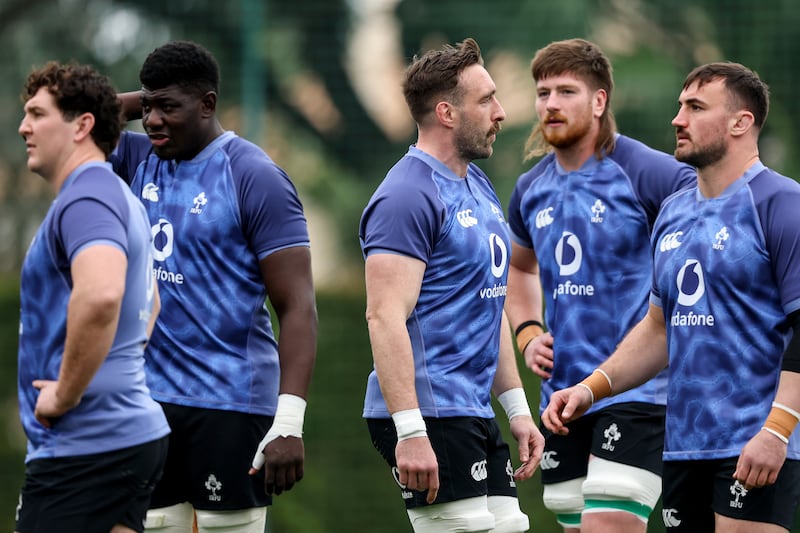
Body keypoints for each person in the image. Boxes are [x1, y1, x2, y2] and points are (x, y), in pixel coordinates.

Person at [542, 61, 800, 532]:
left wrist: (778, 431)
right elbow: (658, 330)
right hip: (683, 447)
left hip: (756, 443)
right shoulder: (673, 213)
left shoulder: (782, 203)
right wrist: (589, 388)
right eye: (680, 106)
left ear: (740, 123)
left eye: (696, 108)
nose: (678, 119)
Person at [110, 40, 317, 533]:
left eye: (168, 107)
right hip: (149, 402)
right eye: (147, 107)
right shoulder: (138, 158)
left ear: (208, 104)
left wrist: (288, 422)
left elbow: (298, 307)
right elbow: (71, 118)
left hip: (229, 404)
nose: (152, 121)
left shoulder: (254, 176)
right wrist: (151, 98)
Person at [504, 38, 695, 532]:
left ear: (599, 100)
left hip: (639, 392)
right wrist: (527, 332)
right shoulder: (530, 188)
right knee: (576, 523)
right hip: (562, 396)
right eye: (543, 93)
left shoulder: (646, 171)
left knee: (608, 523)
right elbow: (518, 269)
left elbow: (708, 222)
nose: (551, 104)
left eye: (566, 91)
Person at [359, 37, 543, 533]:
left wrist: (517, 409)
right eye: (486, 100)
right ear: (446, 112)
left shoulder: (476, 184)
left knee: (511, 527)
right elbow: (383, 316)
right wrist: (410, 431)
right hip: (429, 413)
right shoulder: (406, 195)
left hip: (470, 408)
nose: (500, 113)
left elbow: (489, 305)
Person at [14, 61, 169, 533]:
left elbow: (102, 294)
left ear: (82, 126)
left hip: (85, 443)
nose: (24, 127)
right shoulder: (116, 193)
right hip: (124, 436)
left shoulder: (87, 196)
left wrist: (65, 393)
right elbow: (151, 303)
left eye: (38, 114)